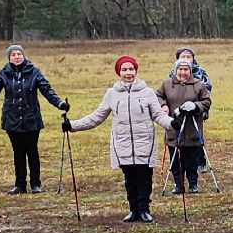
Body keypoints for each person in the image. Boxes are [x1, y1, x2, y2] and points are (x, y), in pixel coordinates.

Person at [63, 55, 174, 223]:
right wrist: (72, 125)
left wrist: (174, 124)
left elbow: (159, 115)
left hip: (144, 141)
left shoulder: (148, 92)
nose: (128, 73)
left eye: (131, 69)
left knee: (144, 176)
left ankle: (144, 210)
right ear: (118, 72)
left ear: (136, 71)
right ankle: (133, 210)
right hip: (122, 142)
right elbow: (96, 117)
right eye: (124, 70)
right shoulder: (111, 94)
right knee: (129, 177)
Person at [0, 44, 69, 194]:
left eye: (19, 54)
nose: (16, 57)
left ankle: (35, 184)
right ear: (9, 58)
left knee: (32, 150)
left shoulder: (34, 72)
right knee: (18, 152)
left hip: (31, 118)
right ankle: (20, 185)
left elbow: (47, 90)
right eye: (13, 54)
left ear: (24, 56)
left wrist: (60, 104)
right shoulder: (4, 73)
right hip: (11, 118)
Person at [157, 58, 212, 194]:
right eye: (180, 69)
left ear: (190, 70)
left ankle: (193, 184)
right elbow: (158, 96)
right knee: (175, 160)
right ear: (176, 70)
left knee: (191, 160)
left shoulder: (198, 85)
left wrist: (196, 106)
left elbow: (206, 101)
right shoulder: (166, 84)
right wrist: (163, 105)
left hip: (192, 128)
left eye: (186, 69)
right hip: (174, 126)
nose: (183, 72)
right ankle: (178, 185)